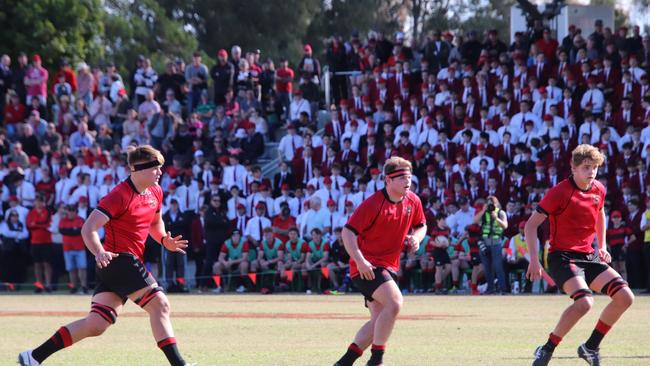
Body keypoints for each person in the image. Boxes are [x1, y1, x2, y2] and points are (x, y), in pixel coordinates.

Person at [19, 145, 193, 366]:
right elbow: (88, 228)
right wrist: (99, 251)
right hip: (119, 259)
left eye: (161, 167)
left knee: (96, 324)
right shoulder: (119, 195)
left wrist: (163, 240)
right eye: (155, 168)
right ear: (136, 169)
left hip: (118, 264)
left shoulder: (156, 191)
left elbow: (155, 224)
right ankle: (179, 364)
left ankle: (33, 357)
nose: (160, 172)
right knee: (160, 305)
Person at [527, 144, 635, 366]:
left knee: (625, 297)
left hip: (587, 255)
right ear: (573, 168)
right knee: (585, 302)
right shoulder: (559, 192)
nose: (592, 172)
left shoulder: (598, 189)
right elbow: (530, 226)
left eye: (594, 167)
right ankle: (547, 348)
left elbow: (600, 215)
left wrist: (602, 246)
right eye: (586, 167)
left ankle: (590, 347)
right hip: (561, 256)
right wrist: (534, 260)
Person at [334, 156, 426, 366]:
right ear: (387, 180)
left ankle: (344, 362)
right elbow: (348, 233)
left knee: (378, 321)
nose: (407, 181)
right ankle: (376, 361)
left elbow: (421, 225)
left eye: (409, 177)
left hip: (388, 266)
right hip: (367, 267)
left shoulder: (413, 200)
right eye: (401, 177)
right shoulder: (373, 204)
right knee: (395, 303)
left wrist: (416, 239)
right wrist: (360, 261)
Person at [472, 196, 508, 294]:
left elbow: (505, 226)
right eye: (488, 203)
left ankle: (502, 288)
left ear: (497, 204)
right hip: (485, 243)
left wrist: (496, 218)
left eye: (492, 203)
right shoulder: (484, 213)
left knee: (498, 266)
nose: (490, 206)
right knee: (487, 268)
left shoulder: (501, 212)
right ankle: (490, 289)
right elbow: (474, 221)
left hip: (496, 243)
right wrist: (483, 211)